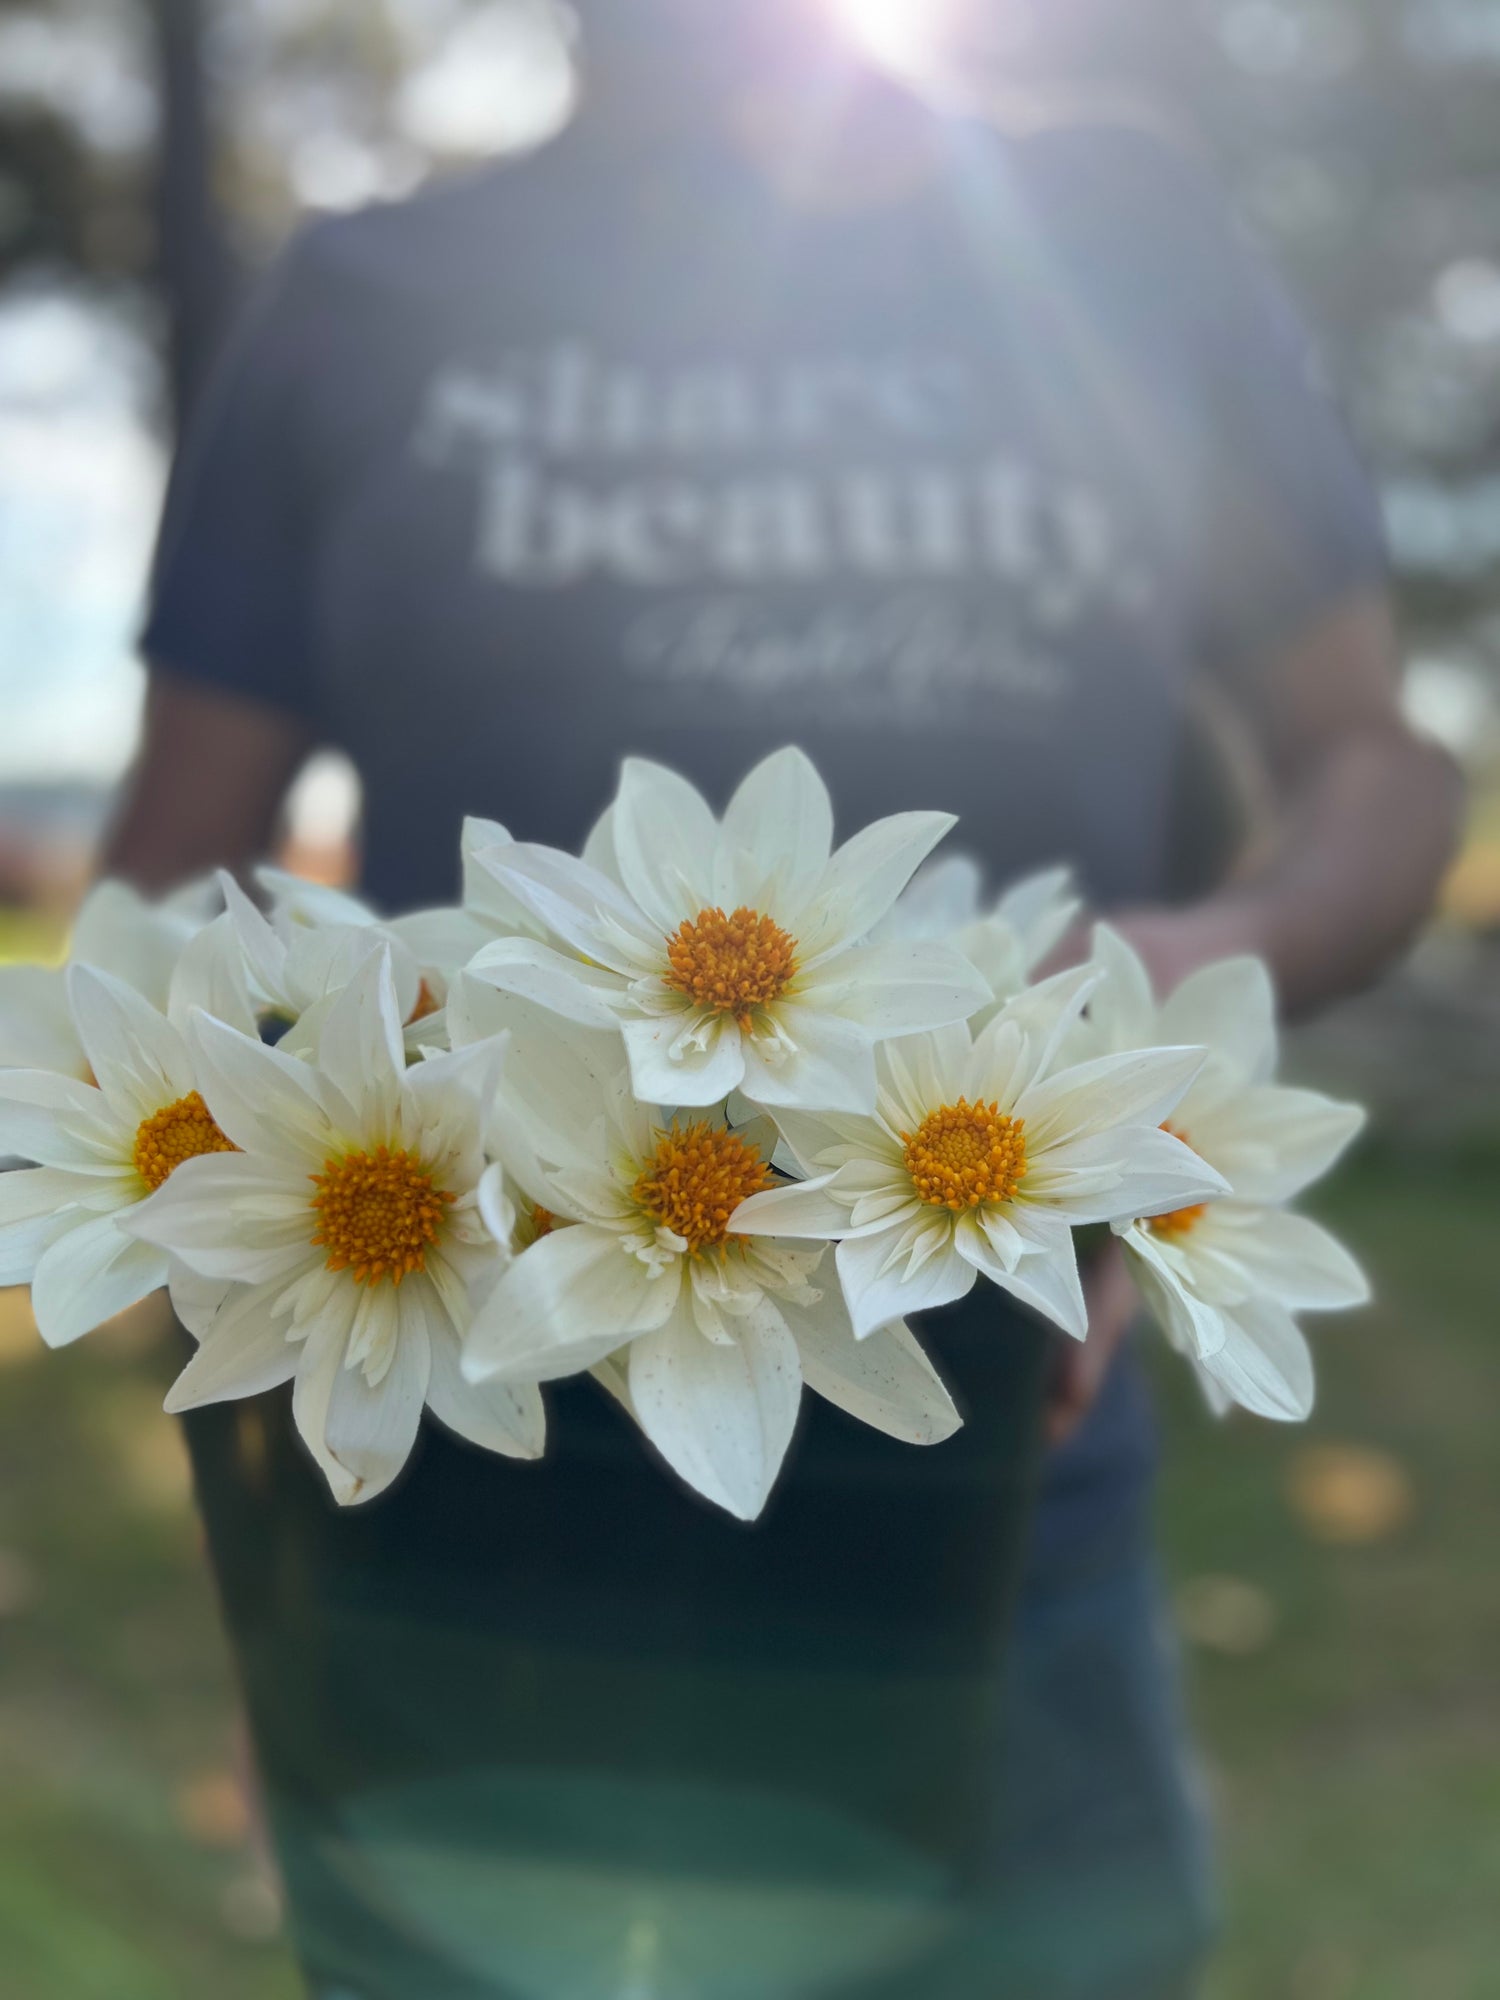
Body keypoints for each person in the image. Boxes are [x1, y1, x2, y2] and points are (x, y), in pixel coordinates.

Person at [108, 3, 1459, 1994]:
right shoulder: (368, 297)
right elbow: (169, 899)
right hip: (471, 1517)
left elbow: (1374, 756)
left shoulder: (1114, 247)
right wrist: (282, 1548)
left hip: (998, 1492)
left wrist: (1186, 980)